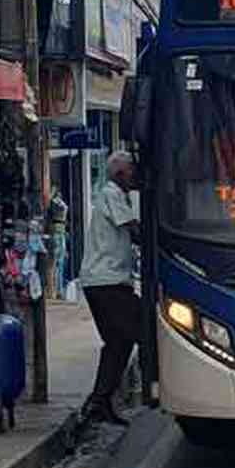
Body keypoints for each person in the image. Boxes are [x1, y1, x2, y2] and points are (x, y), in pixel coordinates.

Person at [80, 151, 140, 426]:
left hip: (110, 281)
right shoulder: (111, 194)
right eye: (131, 172)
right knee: (143, 328)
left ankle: (100, 400)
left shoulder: (119, 195)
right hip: (106, 282)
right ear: (119, 174)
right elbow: (133, 229)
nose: (134, 177)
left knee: (118, 342)